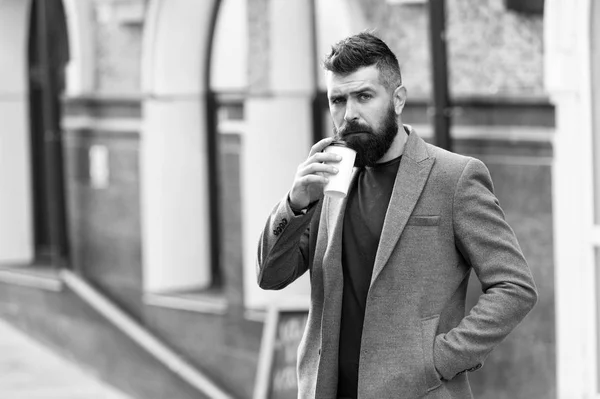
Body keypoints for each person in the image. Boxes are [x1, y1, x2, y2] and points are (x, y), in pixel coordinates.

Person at [256, 32, 537, 399]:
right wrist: (296, 203)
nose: (350, 113)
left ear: (398, 99)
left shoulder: (454, 178)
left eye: (364, 96)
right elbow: (270, 276)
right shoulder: (328, 177)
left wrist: (438, 359)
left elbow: (514, 287)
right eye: (337, 100)